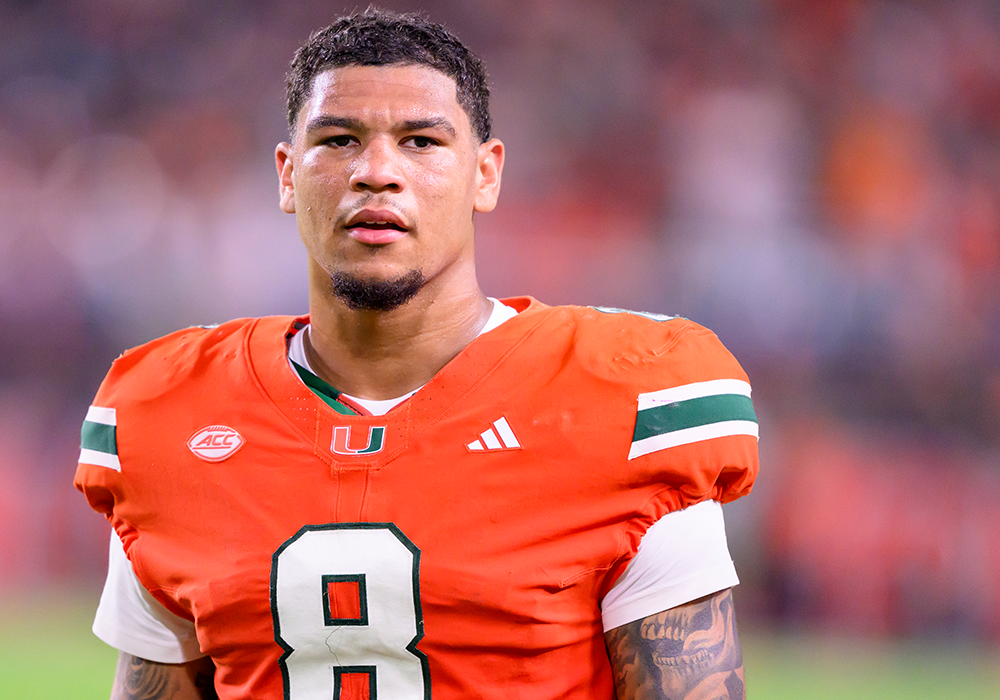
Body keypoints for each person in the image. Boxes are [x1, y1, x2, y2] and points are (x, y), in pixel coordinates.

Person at [75, 8, 759, 700]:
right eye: (339, 139)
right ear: (287, 176)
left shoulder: (622, 400)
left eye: (421, 141)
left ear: (484, 176)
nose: (376, 171)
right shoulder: (173, 416)